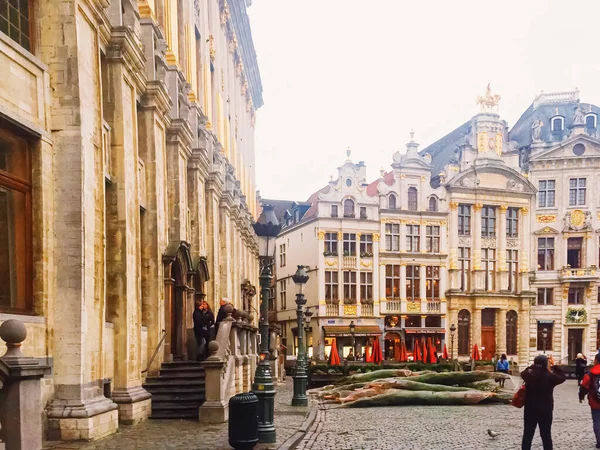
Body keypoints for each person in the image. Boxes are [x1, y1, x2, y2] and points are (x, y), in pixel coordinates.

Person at [521, 354, 566, 450]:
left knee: (528, 434)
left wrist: (534, 365)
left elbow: (523, 372)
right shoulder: (550, 376)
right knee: (546, 435)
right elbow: (563, 376)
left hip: (530, 408)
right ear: (546, 363)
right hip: (546, 409)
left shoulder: (528, 375)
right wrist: (553, 365)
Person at [578, 353, 600, 448]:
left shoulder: (591, 373)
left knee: (597, 421)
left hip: (595, 401)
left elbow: (584, 387)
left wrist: (581, 396)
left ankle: (599, 441)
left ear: (596, 361)